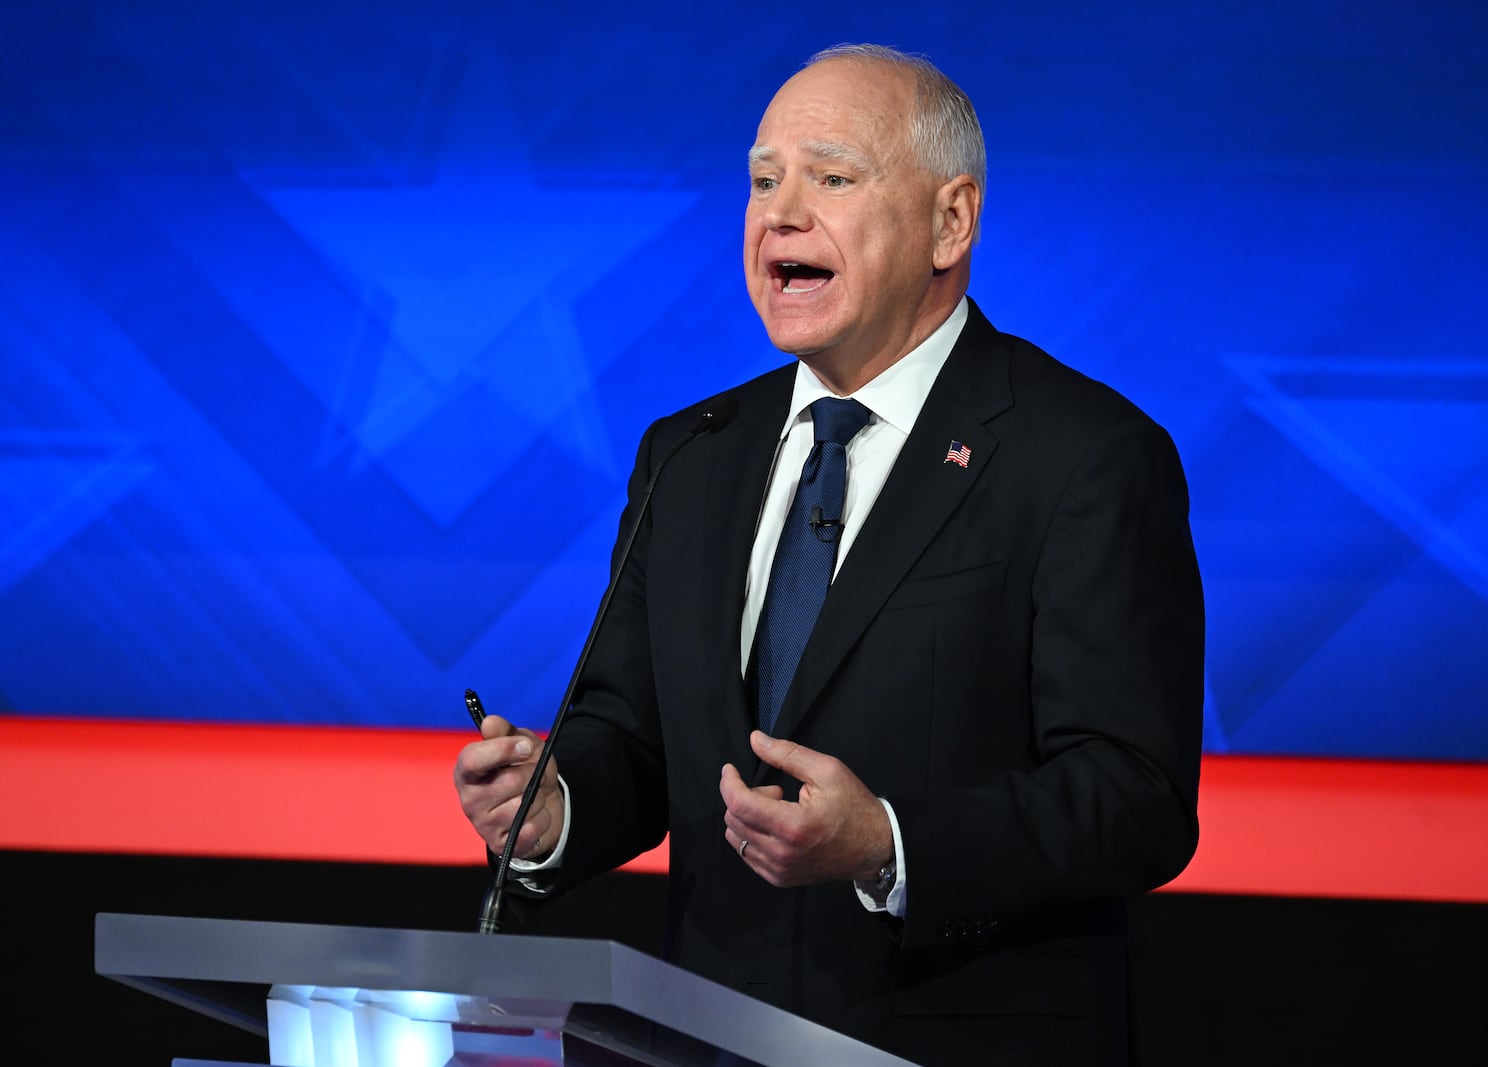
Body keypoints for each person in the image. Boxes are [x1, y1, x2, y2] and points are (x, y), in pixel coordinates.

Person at [454, 42, 1203, 1066]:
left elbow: (1135, 799)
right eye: (763, 180)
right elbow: (634, 735)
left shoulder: (1084, 457)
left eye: (832, 177)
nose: (780, 214)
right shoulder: (690, 453)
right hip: (704, 1036)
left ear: (952, 221)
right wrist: (555, 806)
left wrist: (888, 843)